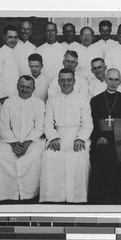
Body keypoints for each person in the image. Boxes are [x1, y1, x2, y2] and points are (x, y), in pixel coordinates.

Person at [0, 75, 45, 205]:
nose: (25, 89)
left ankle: (29, 193)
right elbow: (3, 126)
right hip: (9, 142)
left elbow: (39, 127)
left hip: (31, 142)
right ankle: (3, 194)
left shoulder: (39, 103)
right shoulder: (9, 102)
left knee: (35, 157)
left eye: (28, 87)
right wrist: (14, 143)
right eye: (22, 86)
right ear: (17, 86)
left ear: (33, 88)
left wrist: (27, 143)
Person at [40, 68, 93, 203]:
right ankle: (53, 197)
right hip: (58, 136)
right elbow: (47, 124)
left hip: (77, 136)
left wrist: (81, 138)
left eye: (69, 80)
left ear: (74, 81)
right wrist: (53, 137)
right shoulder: (51, 100)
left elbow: (87, 124)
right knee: (50, 155)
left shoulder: (83, 100)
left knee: (79, 156)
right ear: (58, 82)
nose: (66, 83)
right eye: (62, 80)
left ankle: (76, 197)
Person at [89, 68, 121, 204]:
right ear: (105, 79)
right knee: (103, 156)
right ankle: (103, 198)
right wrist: (98, 137)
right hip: (103, 138)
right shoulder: (95, 100)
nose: (113, 82)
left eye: (116, 80)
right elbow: (91, 122)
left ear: (120, 81)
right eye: (110, 79)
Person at [0, 24, 20, 146]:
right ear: (4, 37)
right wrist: (3, 98)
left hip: (14, 97)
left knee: (13, 127)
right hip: (3, 99)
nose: (13, 40)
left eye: (15, 37)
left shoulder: (14, 52)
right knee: (2, 126)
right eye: (10, 37)